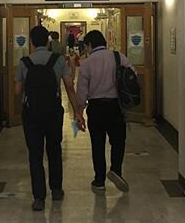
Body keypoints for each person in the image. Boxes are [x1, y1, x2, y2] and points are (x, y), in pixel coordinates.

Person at [15, 25, 85, 211]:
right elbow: (69, 87)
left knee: (35, 154)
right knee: (54, 149)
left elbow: (17, 91)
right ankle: (56, 189)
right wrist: (77, 112)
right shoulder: (59, 60)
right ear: (47, 41)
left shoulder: (24, 62)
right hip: (53, 111)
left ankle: (38, 197)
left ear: (31, 41)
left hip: (31, 114)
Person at [76, 30, 133, 194]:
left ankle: (99, 180)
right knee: (118, 141)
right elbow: (132, 76)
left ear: (89, 45)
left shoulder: (87, 63)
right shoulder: (119, 57)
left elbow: (81, 91)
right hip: (116, 106)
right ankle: (116, 171)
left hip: (96, 108)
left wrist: (79, 112)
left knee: (98, 143)